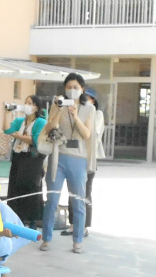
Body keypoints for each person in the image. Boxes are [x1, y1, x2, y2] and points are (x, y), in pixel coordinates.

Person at [41, 73, 97, 254]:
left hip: (78, 158)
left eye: (76, 87)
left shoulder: (88, 108)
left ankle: (78, 240)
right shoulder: (58, 105)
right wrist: (58, 110)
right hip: (58, 155)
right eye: (69, 87)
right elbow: (50, 127)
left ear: (82, 89)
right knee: (52, 199)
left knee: (78, 200)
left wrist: (76, 115)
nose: (72, 90)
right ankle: (46, 238)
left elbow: (87, 134)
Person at [63, 87, 104, 238]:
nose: (85, 100)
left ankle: (84, 225)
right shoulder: (75, 112)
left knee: (85, 191)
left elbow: (92, 134)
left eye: (88, 98)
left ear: (93, 101)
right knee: (72, 190)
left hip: (88, 158)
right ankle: (73, 223)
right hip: (73, 155)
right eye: (84, 97)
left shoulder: (96, 114)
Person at [3, 95, 47, 228]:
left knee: (32, 187)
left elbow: (36, 140)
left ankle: (33, 220)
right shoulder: (20, 120)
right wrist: (6, 113)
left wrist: (18, 135)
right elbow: (7, 129)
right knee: (16, 187)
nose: (27, 105)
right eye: (25, 103)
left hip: (33, 159)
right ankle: (18, 217)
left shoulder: (40, 122)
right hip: (19, 157)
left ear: (36, 107)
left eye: (30, 103)